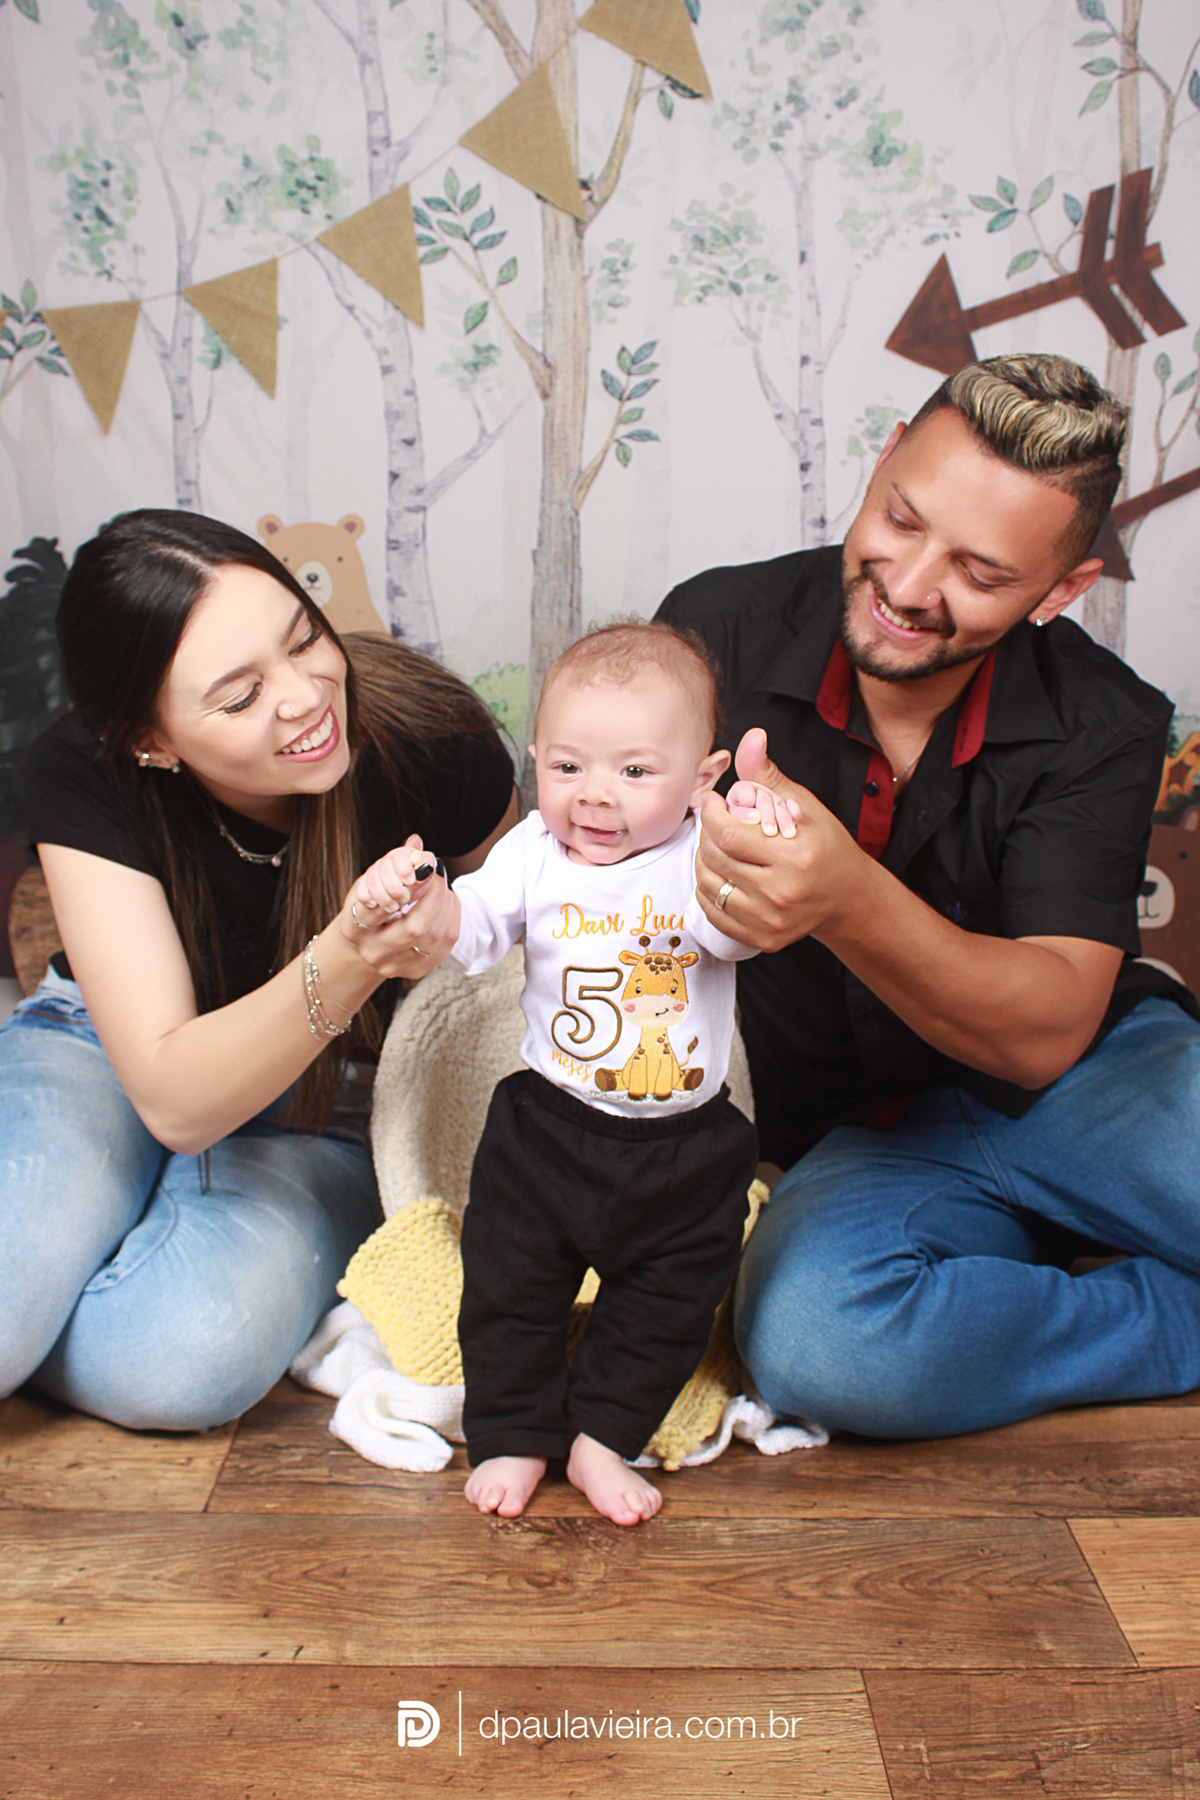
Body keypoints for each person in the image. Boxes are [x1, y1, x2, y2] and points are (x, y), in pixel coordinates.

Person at [658, 352, 1200, 1441]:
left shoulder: (1108, 718)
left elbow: (1047, 1034)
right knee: (818, 1343)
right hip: (865, 1140)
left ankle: (1071, 1231)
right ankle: (1157, 1303)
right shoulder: (721, 628)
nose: (909, 586)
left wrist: (843, 895)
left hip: (1093, 1083)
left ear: (1060, 593)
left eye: (981, 574)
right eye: (900, 520)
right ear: (882, 465)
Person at [0, 509, 516, 1432]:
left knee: (175, 1363)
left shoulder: (434, 742)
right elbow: (173, 1096)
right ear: (148, 741)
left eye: (303, 639)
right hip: (108, 1055)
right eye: (239, 697)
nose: (306, 698)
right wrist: (350, 957)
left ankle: (88, 1254)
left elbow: (526, 971)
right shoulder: (86, 768)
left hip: (332, 1103)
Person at [354, 622, 762, 1524]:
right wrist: (422, 902)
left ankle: (602, 1439)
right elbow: (472, 935)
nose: (595, 799)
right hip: (547, 1131)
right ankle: (510, 1431)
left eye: (635, 771)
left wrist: (755, 849)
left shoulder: (704, 856)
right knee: (508, 1287)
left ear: (703, 777)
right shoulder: (532, 852)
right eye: (568, 767)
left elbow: (742, 931)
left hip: (684, 1147)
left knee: (669, 1304)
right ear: (535, 758)